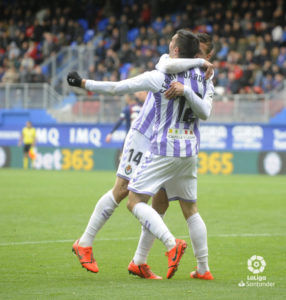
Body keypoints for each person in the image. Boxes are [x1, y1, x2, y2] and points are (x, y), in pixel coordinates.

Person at [67, 30, 214, 279]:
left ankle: (139, 261)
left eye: (206, 54)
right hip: (144, 135)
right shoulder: (169, 65)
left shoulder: (202, 75)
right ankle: (85, 242)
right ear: (194, 51)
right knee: (123, 190)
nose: (204, 57)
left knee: (161, 201)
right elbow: (162, 68)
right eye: (200, 52)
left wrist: (200, 67)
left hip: (167, 140)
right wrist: (199, 62)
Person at [129, 33, 215, 281]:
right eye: (195, 52)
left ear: (208, 56)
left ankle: (170, 248)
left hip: (170, 147)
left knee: (139, 201)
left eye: (202, 54)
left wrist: (186, 90)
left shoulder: (203, 76)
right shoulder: (189, 68)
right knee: (168, 205)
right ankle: (143, 262)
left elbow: (205, 111)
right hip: (186, 149)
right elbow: (167, 62)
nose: (197, 57)